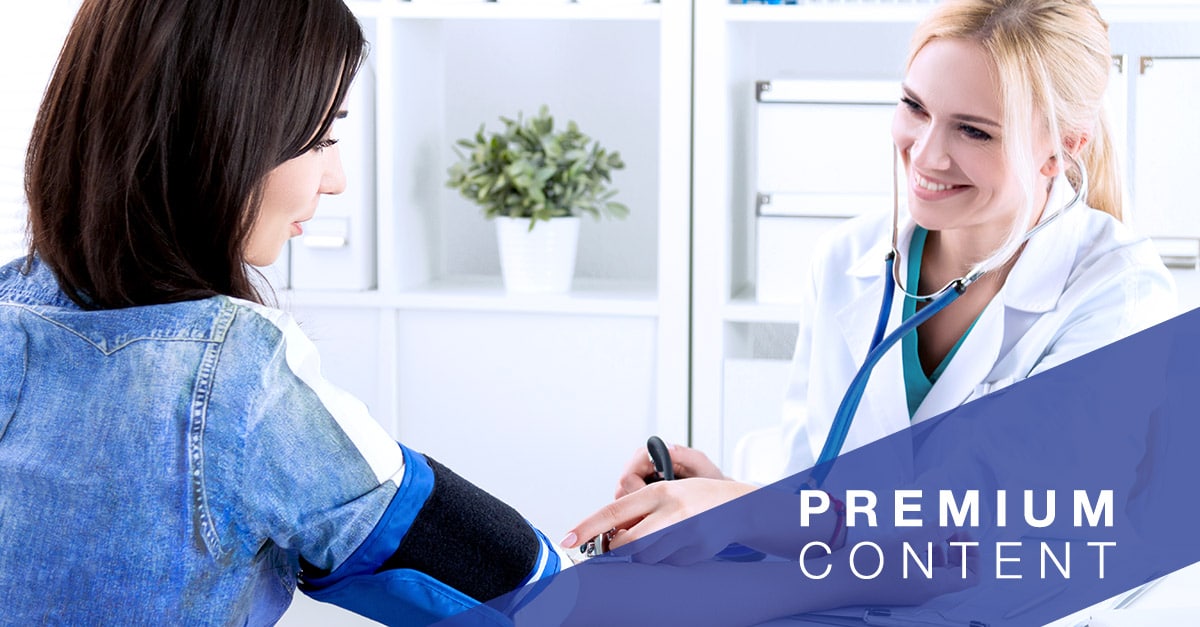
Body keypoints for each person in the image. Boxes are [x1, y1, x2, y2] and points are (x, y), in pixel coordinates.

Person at [0, 1, 567, 624]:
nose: (336, 179)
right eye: (322, 138)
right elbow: (521, 587)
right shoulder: (234, 371)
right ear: (215, 132)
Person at [563, 0, 1177, 559]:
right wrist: (714, 493)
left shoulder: (1119, 297)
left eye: (974, 131)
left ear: (1061, 146)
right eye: (915, 107)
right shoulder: (846, 260)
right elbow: (815, 488)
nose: (927, 154)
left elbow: (985, 532)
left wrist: (740, 513)